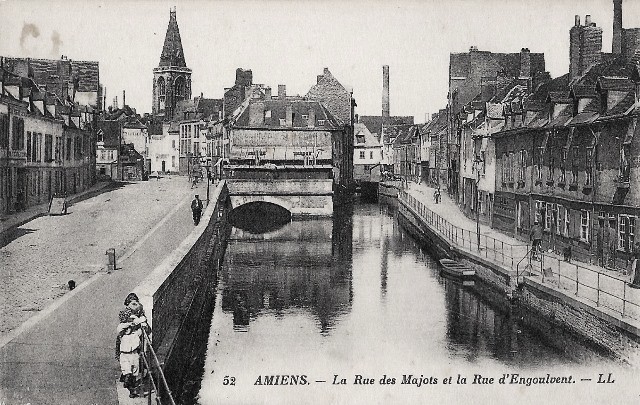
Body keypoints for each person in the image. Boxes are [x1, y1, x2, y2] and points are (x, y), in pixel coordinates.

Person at [115, 293, 150, 398]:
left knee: (134, 372)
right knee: (128, 372)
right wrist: (129, 324)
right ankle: (128, 380)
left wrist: (139, 322)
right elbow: (120, 328)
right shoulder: (124, 327)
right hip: (125, 352)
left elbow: (144, 326)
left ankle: (131, 387)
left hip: (134, 352)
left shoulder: (137, 331)